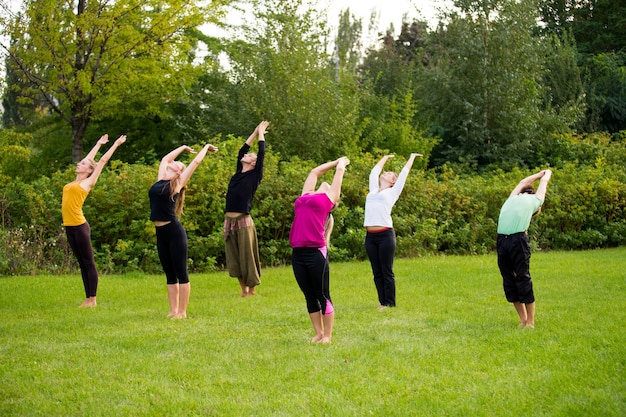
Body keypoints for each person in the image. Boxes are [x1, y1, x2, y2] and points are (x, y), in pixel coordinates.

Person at [150, 143, 218, 319]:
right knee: (169, 273)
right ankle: (173, 310)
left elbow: (195, 163)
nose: (174, 162)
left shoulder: (177, 183)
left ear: (179, 171)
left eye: (178, 163)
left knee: (181, 272)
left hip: (174, 232)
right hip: (160, 233)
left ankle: (182, 312)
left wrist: (205, 148)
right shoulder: (160, 181)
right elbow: (165, 158)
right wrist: (183, 147)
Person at [289, 157, 350, 344]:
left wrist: (341, 165)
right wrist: (335, 161)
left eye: (330, 184)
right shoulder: (306, 195)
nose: (326, 182)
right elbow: (315, 172)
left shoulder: (329, 198)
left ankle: (328, 335)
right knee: (309, 295)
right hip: (298, 251)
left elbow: (339, 173)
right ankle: (318, 333)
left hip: (316, 252)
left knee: (322, 294)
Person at [62, 134, 127, 307]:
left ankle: (93, 299)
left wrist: (115, 145)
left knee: (88, 262)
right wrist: (98, 143)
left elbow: (102, 161)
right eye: (81, 162)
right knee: (82, 263)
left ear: (89, 170)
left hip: (80, 227)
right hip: (69, 227)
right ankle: (88, 298)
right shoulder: (74, 182)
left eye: (82, 164)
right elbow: (89, 159)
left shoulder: (88, 182)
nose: (79, 163)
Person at [364, 153, 421, 310]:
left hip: (385, 235)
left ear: (393, 181)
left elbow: (404, 173)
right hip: (370, 236)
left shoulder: (393, 192)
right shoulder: (373, 190)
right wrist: (385, 158)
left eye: (389, 173)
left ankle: (390, 303)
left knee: (386, 270)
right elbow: (373, 172)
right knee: (377, 272)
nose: (385, 173)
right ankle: (382, 302)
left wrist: (411, 158)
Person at [496, 169, 553, 328]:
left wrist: (541, 174)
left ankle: (530, 321)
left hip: (514, 240)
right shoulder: (528, 198)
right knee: (510, 279)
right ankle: (524, 321)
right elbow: (541, 183)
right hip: (505, 240)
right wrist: (546, 174)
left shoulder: (527, 199)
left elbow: (524, 182)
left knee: (521, 278)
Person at [223, 121, 269, 297]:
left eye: (251, 155)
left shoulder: (254, 176)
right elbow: (242, 149)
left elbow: (262, 153)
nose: (247, 155)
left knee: (247, 257)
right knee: (234, 257)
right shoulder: (237, 174)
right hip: (229, 221)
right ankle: (243, 291)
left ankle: (252, 290)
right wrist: (255, 131)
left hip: (243, 220)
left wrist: (262, 134)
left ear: (253, 163)